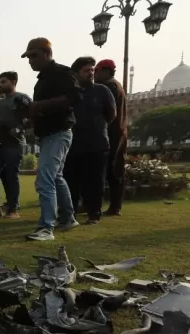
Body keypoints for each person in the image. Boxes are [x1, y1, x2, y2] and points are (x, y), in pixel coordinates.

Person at [21, 37, 82, 241]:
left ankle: (47, 227)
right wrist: (30, 117)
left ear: (47, 54)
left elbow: (75, 97)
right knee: (56, 177)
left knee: (45, 179)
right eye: (28, 57)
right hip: (49, 133)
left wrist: (40, 106)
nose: (31, 61)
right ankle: (68, 218)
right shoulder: (42, 81)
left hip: (59, 132)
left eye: (34, 56)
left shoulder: (62, 73)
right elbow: (43, 109)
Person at [64, 57, 116, 225]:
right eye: (86, 70)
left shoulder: (102, 91)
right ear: (76, 74)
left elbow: (111, 114)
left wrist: (97, 126)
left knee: (95, 181)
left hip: (97, 144)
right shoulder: (70, 93)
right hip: (73, 144)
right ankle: (69, 214)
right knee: (71, 181)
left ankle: (94, 214)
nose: (91, 73)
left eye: (92, 70)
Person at [0, 73, 30, 219]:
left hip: (15, 142)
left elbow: (31, 116)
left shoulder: (21, 98)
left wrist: (18, 129)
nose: (0, 84)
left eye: (4, 81)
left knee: (11, 175)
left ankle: (13, 209)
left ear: (13, 82)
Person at [95, 59, 128, 217]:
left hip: (112, 134)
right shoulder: (115, 85)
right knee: (113, 170)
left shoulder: (110, 86)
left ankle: (114, 207)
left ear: (105, 71)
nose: (94, 75)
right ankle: (112, 206)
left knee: (112, 170)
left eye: (96, 71)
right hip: (117, 133)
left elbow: (105, 111)